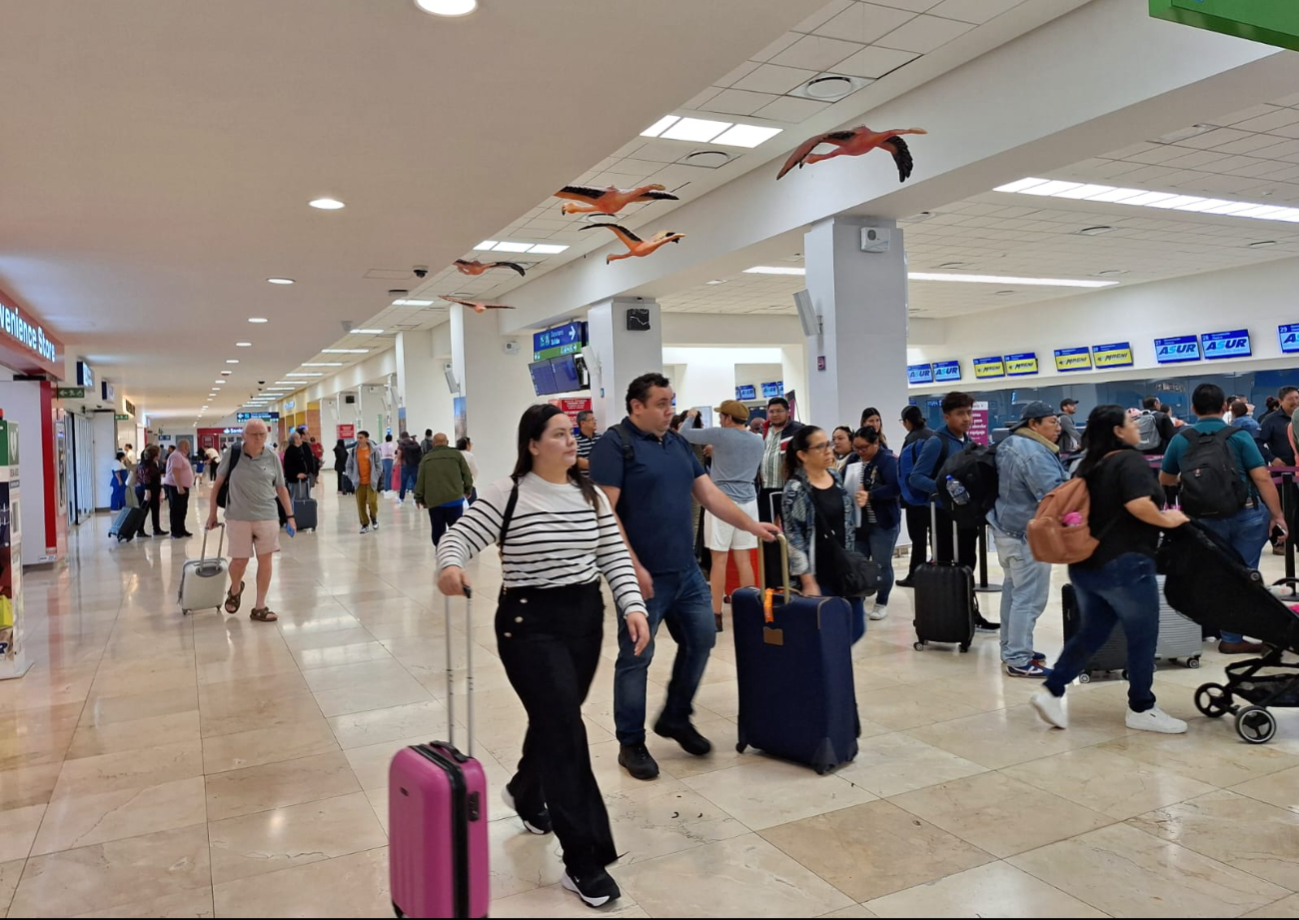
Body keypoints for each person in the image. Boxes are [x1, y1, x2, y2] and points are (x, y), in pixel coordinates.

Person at [437, 404, 650, 909]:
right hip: (527, 623)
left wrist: (632, 605)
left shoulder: (590, 493)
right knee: (566, 731)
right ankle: (584, 859)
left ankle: (528, 793)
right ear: (533, 444)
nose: (571, 440)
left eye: (572, 432)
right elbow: (459, 536)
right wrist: (450, 567)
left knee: (557, 722)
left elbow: (612, 554)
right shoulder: (507, 492)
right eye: (558, 434)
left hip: (583, 620)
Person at [590, 373, 779, 781]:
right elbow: (606, 513)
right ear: (636, 406)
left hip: (686, 571)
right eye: (660, 403)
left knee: (702, 638)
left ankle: (675, 715)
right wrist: (632, 567)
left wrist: (752, 525)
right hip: (642, 575)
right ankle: (630, 742)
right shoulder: (614, 446)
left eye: (671, 402)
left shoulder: (677, 443)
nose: (669, 410)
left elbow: (708, 493)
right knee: (637, 655)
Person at [1032, 405, 1191, 735]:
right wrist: (1168, 519)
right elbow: (1137, 504)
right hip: (1126, 563)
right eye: (1130, 422)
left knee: (1093, 632)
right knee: (1143, 635)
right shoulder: (1129, 460)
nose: (1136, 426)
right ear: (1118, 431)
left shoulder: (1087, 464)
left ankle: (1051, 690)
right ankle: (1142, 707)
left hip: (1087, 565)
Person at [1160, 383, 1288, 655]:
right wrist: (1277, 515)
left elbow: (1165, 479)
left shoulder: (1181, 439)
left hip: (1202, 518)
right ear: (1224, 408)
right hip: (1247, 515)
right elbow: (1262, 477)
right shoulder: (1239, 436)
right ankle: (1235, 636)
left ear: (1193, 409)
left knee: (1213, 574)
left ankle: (1215, 629)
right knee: (1245, 575)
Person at [907, 391, 998, 630]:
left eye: (969, 412)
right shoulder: (937, 442)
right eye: (960, 413)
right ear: (947, 416)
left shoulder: (967, 442)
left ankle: (968, 613)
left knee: (968, 563)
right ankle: (948, 615)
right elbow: (916, 477)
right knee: (948, 567)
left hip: (965, 516)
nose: (967, 418)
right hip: (943, 519)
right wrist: (944, 491)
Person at [988, 403, 1067, 677]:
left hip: (1004, 529)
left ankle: (1011, 648)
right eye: (1052, 423)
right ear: (1034, 424)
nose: (1058, 428)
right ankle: (1019, 660)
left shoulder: (1010, 443)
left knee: (1013, 592)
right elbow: (1054, 496)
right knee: (1029, 598)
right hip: (1027, 536)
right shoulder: (1035, 453)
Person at [678, 401, 765, 630]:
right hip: (749, 502)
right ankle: (748, 612)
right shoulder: (758, 441)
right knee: (744, 558)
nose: (719, 420)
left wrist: (691, 415)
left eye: (721, 417)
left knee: (719, 559)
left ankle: (716, 614)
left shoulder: (720, 435)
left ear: (727, 418)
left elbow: (684, 434)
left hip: (721, 502)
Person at [782, 426, 867, 642]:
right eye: (820, 447)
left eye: (828, 444)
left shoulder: (834, 476)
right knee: (825, 635)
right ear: (802, 454)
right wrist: (808, 581)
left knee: (854, 628)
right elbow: (794, 539)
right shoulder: (795, 489)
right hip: (819, 573)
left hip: (844, 568)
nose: (829, 450)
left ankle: (836, 671)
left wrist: (860, 501)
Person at [206, 418, 296, 623]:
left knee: (265, 560)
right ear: (244, 435)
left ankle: (260, 606)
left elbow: (281, 488)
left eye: (263, 434)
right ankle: (236, 588)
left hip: (267, 515)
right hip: (238, 517)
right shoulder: (233, 454)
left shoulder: (272, 456)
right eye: (254, 434)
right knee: (239, 561)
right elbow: (217, 486)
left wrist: (290, 516)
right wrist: (212, 514)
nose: (259, 438)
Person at [844, 426, 900, 621]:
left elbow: (895, 488)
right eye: (856, 447)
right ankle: (857, 601)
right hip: (858, 523)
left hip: (882, 522)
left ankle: (881, 602)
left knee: (881, 564)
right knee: (857, 563)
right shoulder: (852, 460)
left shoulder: (887, 460)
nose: (860, 452)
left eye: (864, 447)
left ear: (876, 443)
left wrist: (871, 495)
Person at [757, 396, 803, 586]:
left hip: (787, 489)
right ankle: (772, 577)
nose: (775, 414)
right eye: (772, 411)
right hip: (766, 489)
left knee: (793, 533)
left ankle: (798, 576)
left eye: (779, 411)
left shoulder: (798, 430)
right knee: (767, 534)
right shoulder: (764, 431)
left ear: (788, 412)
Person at [896, 405, 935, 588]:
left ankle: (915, 574)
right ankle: (939, 570)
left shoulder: (910, 440)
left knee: (918, 538)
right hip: (934, 496)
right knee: (935, 535)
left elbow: (906, 473)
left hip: (915, 497)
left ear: (907, 422)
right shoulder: (934, 436)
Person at [416, 433, 473, 545]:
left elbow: (421, 479)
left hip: (434, 502)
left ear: (433, 444)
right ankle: (456, 550)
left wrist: (419, 497)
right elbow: (467, 474)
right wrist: (468, 489)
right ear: (447, 442)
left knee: (437, 529)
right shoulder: (456, 455)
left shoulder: (427, 458)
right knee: (456, 529)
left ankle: (440, 550)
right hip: (455, 499)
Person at [346, 430, 383, 533]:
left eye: (361, 437)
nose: (359, 440)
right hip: (359, 482)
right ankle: (364, 523)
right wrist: (353, 477)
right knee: (361, 504)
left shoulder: (374, 451)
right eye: (358, 437)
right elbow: (348, 466)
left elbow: (379, 466)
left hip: (371, 481)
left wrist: (375, 476)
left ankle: (374, 518)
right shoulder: (354, 451)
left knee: (372, 502)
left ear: (367, 438)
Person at [164, 438, 196, 538]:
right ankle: (175, 531)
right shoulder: (176, 456)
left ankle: (181, 529)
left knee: (182, 509)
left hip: (183, 487)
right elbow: (175, 471)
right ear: (185, 447)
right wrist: (179, 486)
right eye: (188, 447)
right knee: (176, 509)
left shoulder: (181, 456)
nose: (189, 449)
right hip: (176, 487)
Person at [135, 446, 167, 538]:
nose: (160, 454)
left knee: (153, 509)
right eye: (159, 453)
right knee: (145, 510)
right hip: (148, 490)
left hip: (150, 490)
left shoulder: (150, 463)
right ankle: (141, 530)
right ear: (155, 455)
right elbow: (146, 478)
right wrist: (147, 490)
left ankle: (156, 529)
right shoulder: (147, 464)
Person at [282, 432, 314, 498]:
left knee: (304, 497)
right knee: (296, 498)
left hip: (303, 479)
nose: (301, 439)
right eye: (299, 438)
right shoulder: (290, 450)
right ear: (295, 440)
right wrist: (296, 474)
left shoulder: (299, 449)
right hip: (295, 480)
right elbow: (288, 466)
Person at [397, 431, 422, 502]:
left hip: (405, 465)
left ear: (402, 437)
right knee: (416, 482)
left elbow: (399, 453)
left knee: (403, 482)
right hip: (415, 464)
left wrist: (398, 461)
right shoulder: (415, 443)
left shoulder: (402, 444)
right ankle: (416, 498)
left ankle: (401, 498)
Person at [456, 436, 480, 504]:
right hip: (468, 484)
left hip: (457, 485)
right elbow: (475, 470)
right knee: (473, 504)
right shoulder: (470, 455)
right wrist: (474, 479)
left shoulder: (455, 455)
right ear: (467, 445)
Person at [575, 411, 599, 476]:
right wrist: (602, 465)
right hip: (585, 481)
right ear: (583, 423)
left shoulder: (601, 438)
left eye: (595, 420)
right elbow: (580, 462)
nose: (595, 422)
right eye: (592, 420)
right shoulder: (575, 440)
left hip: (602, 480)